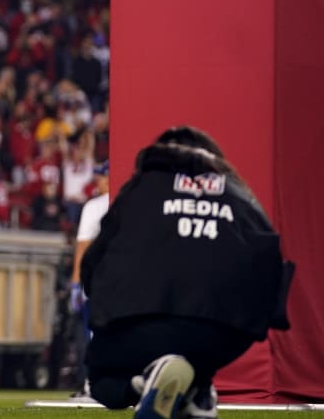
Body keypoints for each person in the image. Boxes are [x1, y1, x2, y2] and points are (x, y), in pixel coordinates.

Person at [81, 126, 294, 419]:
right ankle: (199, 391)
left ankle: (144, 382)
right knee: (197, 351)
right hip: (223, 336)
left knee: (101, 382)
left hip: (141, 326)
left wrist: (107, 314)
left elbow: (93, 263)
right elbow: (271, 262)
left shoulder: (140, 190)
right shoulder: (238, 195)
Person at [68, 161, 109, 400]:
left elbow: (83, 245)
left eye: (102, 177)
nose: (98, 181)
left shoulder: (95, 206)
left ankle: (93, 386)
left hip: (99, 280)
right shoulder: (133, 201)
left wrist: (76, 281)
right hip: (126, 280)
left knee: (94, 334)